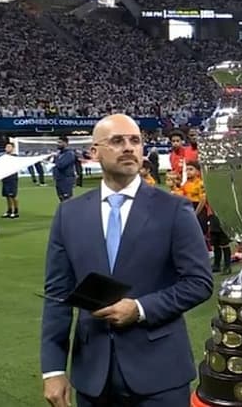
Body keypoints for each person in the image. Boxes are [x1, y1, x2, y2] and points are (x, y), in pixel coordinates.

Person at [40, 114, 213, 407]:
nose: (129, 148)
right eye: (117, 141)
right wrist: (54, 369)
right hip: (93, 378)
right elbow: (57, 296)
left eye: (135, 141)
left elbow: (199, 282)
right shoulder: (69, 215)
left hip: (160, 376)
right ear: (93, 152)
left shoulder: (174, 209)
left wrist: (141, 308)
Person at [52, 136, 77, 201]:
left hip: (66, 180)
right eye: (57, 142)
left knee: (67, 199)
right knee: (61, 199)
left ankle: (72, 211)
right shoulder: (60, 154)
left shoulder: (69, 154)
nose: (58, 144)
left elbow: (61, 165)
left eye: (60, 142)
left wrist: (56, 158)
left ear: (65, 143)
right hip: (59, 180)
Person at [1, 142, 19, 218]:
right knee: (7, 196)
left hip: (12, 178)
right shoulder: (3, 157)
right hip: (5, 178)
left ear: (12, 148)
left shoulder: (15, 157)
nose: (7, 148)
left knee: (13, 196)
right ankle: (9, 210)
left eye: (9, 147)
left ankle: (15, 211)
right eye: (6, 147)